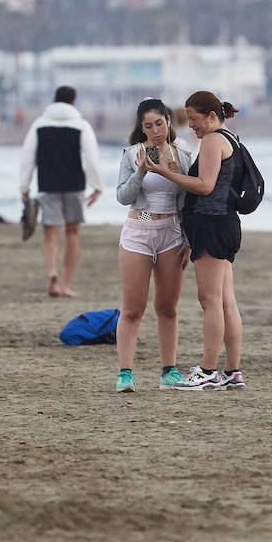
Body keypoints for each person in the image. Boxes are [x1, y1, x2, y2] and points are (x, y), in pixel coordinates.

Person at [143, 91, 245, 391]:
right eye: (188, 121)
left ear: (212, 116)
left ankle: (209, 370)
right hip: (224, 223)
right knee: (226, 300)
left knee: (210, 300)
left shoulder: (213, 140)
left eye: (195, 120)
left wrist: (166, 173)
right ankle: (232, 372)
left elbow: (205, 185)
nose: (192, 127)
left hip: (212, 225)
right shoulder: (230, 138)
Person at [113, 98, 192, 393]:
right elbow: (122, 196)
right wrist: (142, 171)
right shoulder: (133, 153)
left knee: (168, 307)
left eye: (159, 124)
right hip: (138, 228)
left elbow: (189, 198)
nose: (155, 131)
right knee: (133, 307)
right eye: (148, 126)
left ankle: (168, 371)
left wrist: (187, 239)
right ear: (141, 128)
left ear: (169, 122)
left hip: (170, 229)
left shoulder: (182, 155)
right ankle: (125, 373)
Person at [19, 85, 104, 298]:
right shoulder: (81, 125)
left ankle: (52, 272)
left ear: (54, 100)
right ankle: (66, 284)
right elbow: (91, 158)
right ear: (73, 102)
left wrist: (24, 187)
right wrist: (97, 186)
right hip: (74, 184)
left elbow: (27, 157)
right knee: (73, 233)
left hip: (47, 184)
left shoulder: (39, 124)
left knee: (51, 233)